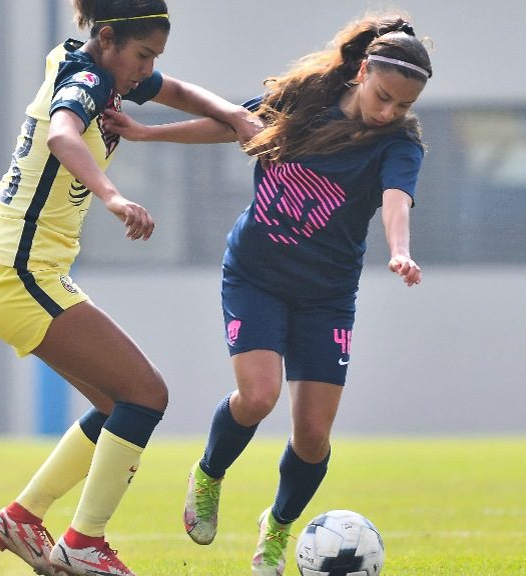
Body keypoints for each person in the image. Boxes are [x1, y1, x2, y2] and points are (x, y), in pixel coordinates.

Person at [104, 13, 430, 575]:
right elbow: (232, 125)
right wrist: (147, 132)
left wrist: (399, 248)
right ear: (361, 73)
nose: (388, 112)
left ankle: (277, 527)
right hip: (255, 275)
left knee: (312, 436)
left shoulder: (398, 144)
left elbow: (397, 197)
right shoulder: (305, 98)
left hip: (326, 296)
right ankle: (209, 474)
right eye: (383, 97)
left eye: (401, 106)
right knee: (257, 398)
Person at [0, 1, 260, 575]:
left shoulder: (99, 64)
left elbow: (181, 92)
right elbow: (61, 135)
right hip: (16, 271)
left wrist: (236, 114)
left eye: (154, 56)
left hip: (21, 270)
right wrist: (114, 196)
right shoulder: (89, 76)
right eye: (142, 54)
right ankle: (83, 543)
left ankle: (25, 516)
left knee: (115, 403)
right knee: (146, 395)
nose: (145, 68)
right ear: (107, 37)